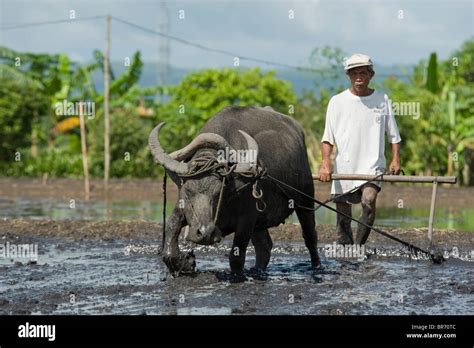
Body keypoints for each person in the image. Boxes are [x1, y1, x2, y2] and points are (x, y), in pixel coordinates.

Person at [318, 53, 402, 245]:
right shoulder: (337, 102)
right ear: (348, 76)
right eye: (354, 73)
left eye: (363, 73)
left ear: (370, 75)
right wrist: (325, 163)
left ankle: (359, 247)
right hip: (344, 168)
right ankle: (347, 254)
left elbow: (394, 135)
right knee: (343, 217)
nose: (358, 77)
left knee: (368, 201)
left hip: (372, 166)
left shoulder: (382, 100)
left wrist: (396, 158)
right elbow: (327, 138)